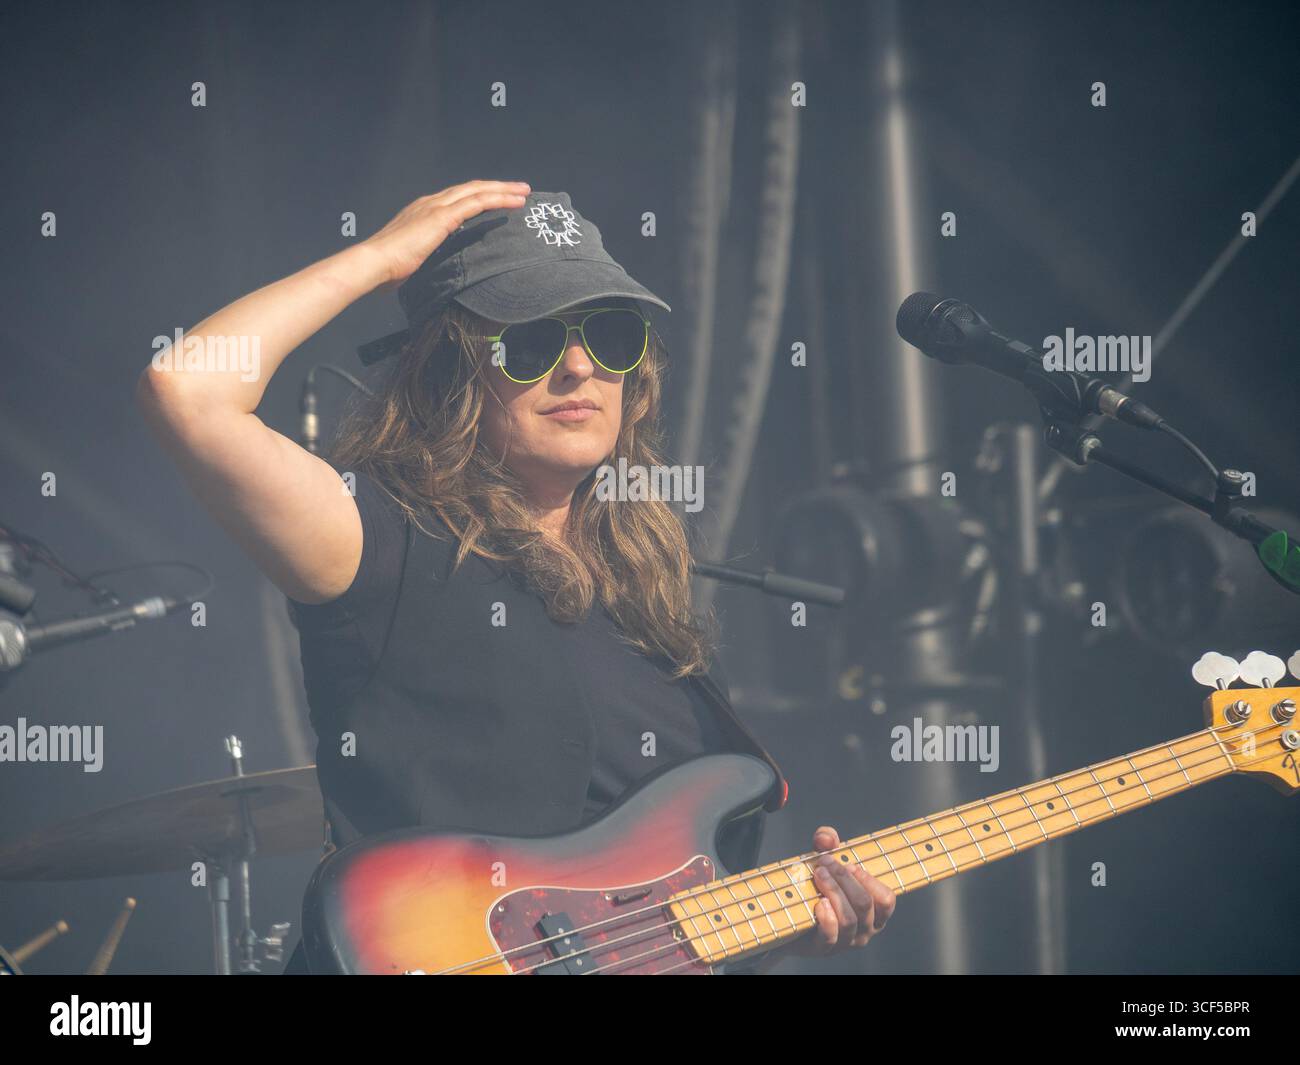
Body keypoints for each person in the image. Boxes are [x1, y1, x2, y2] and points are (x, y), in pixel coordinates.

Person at [136, 180, 896, 973]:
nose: (578, 367)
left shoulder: (649, 602)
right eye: (531, 341)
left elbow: (642, 939)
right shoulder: (380, 538)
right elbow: (186, 391)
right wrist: (374, 259)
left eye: (610, 336)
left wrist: (790, 921)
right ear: (451, 371)